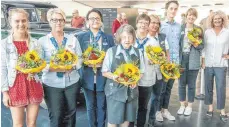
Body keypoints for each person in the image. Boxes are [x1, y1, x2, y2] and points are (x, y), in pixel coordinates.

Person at [38, 8, 83, 127]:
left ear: (64, 21)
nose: (58, 22)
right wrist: (54, 68)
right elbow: (39, 63)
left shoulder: (72, 39)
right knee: (56, 116)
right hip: (51, 84)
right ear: (49, 21)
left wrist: (73, 66)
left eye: (61, 20)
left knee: (71, 115)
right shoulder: (42, 41)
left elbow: (80, 58)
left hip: (72, 83)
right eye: (54, 20)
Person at [1, 8, 43, 127]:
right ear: (10, 22)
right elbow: (2, 69)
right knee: (18, 124)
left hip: (33, 84)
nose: (21, 24)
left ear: (27, 22)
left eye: (24, 21)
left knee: (32, 123)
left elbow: (39, 65)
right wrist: (5, 93)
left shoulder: (35, 43)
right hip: (15, 85)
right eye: (17, 21)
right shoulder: (4, 44)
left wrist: (37, 69)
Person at [77, 9, 115, 127]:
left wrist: (103, 63)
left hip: (102, 78)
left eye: (97, 18)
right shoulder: (81, 37)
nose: (95, 21)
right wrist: (85, 62)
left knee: (102, 106)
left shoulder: (108, 38)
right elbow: (78, 57)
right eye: (92, 18)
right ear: (87, 21)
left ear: (101, 21)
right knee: (90, 106)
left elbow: (112, 58)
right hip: (87, 76)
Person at [102, 24, 145, 127]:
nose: (127, 40)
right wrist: (115, 77)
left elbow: (142, 71)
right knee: (113, 121)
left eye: (130, 37)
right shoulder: (111, 51)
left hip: (131, 93)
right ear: (119, 37)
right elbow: (104, 72)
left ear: (133, 38)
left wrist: (135, 80)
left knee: (126, 120)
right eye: (124, 37)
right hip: (115, 92)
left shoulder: (138, 52)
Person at [156, 0, 181, 122]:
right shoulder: (160, 26)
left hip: (175, 62)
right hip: (163, 62)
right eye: (171, 8)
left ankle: (165, 110)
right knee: (161, 88)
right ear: (166, 10)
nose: (173, 11)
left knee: (170, 88)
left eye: (175, 9)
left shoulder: (179, 26)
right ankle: (157, 111)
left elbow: (179, 44)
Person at [202, 10, 229, 122]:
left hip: (221, 64)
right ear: (212, 20)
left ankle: (222, 110)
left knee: (220, 88)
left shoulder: (227, 32)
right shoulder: (207, 32)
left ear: (222, 20)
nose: (217, 20)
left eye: (219, 19)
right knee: (208, 88)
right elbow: (204, 48)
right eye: (215, 19)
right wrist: (203, 61)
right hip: (208, 63)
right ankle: (210, 108)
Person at [177, 8, 204, 116]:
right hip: (181, 59)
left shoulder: (199, 30)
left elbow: (202, 46)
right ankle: (182, 105)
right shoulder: (180, 28)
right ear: (186, 16)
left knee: (192, 84)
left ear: (195, 17)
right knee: (181, 84)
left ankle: (190, 106)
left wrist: (196, 44)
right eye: (189, 15)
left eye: (193, 15)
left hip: (193, 59)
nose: (191, 17)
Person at [146, 14, 170, 127]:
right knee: (144, 99)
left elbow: (167, 54)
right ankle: (139, 121)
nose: (155, 25)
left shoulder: (162, 37)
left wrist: (166, 66)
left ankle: (151, 120)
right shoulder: (142, 37)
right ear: (148, 24)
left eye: (157, 23)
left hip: (159, 73)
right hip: (145, 74)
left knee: (156, 97)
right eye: (153, 22)